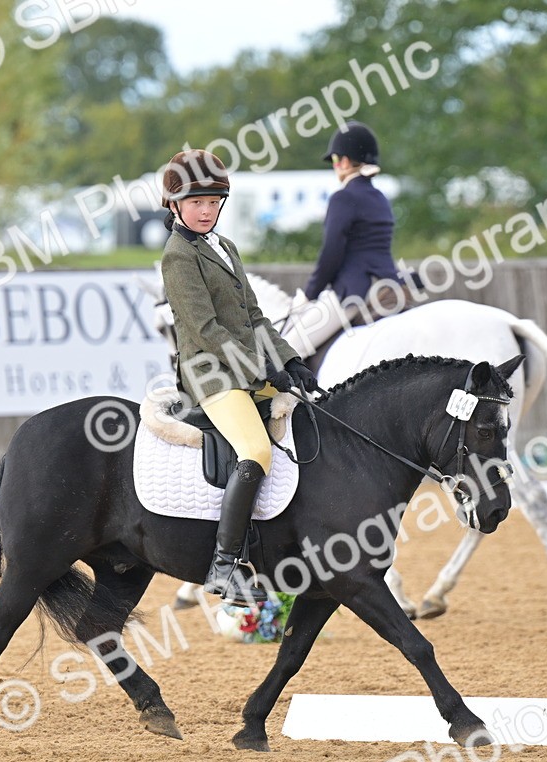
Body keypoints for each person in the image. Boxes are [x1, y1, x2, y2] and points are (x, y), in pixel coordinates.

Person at [158, 149, 319, 605]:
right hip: (211, 375)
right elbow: (205, 329)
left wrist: (289, 360)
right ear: (175, 205)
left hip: (246, 367)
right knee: (255, 449)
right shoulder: (178, 257)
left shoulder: (225, 247)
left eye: (213, 202)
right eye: (196, 203)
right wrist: (262, 368)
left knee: (311, 416)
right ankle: (224, 566)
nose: (206, 211)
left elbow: (255, 317)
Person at [282, 121, 409, 359]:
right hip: (388, 286)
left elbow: (332, 253)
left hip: (353, 292)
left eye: (334, 160)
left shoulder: (343, 197)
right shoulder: (380, 198)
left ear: (345, 161)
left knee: (286, 351)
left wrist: (309, 294)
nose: (334, 166)